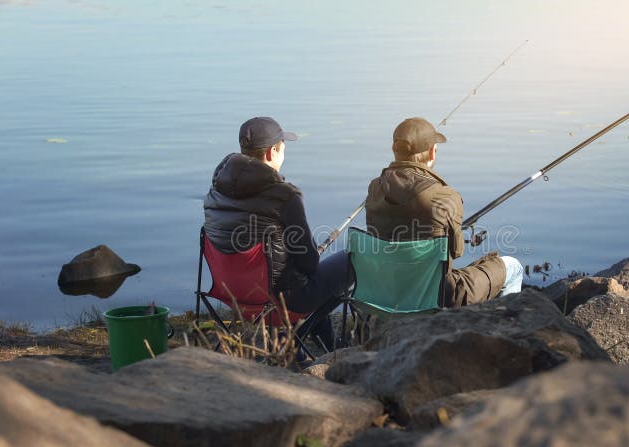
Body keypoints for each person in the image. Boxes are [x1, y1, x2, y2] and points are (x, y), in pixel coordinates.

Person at [203, 116, 352, 349]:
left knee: (305, 276)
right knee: (352, 260)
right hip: (282, 302)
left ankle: (316, 343)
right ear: (272, 153)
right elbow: (310, 263)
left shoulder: (215, 194)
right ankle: (315, 344)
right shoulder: (285, 197)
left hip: (233, 297)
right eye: (282, 148)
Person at [365, 117, 523, 307]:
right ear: (432, 152)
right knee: (513, 266)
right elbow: (456, 252)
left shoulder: (375, 188)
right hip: (441, 296)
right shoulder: (445, 197)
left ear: (394, 149)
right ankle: (507, 331)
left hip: (388, 290)